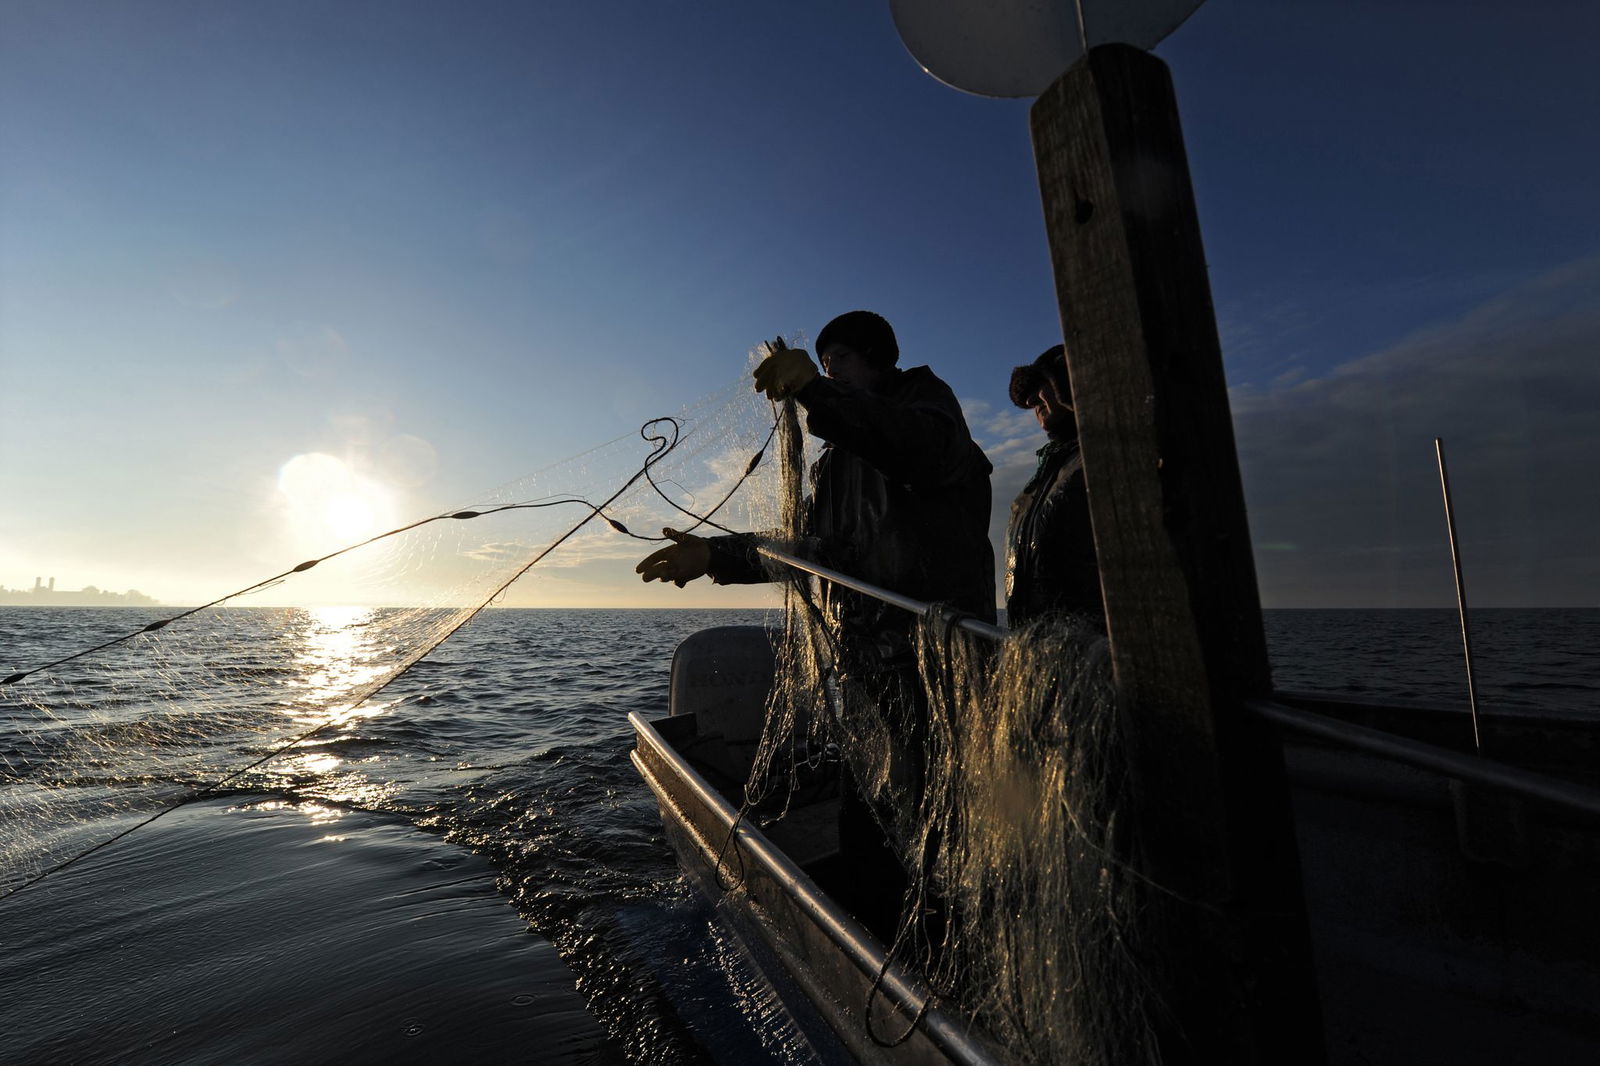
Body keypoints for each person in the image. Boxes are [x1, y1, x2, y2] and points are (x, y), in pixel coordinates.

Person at [636, 311, 995, 935]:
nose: (830, 373)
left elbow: (919, 448)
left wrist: (817, 392)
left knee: (943, 827)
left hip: (940, 671)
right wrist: (715, 555)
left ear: (879, 359)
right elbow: (815, 555)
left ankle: (946, 949)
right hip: (868, 670)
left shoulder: (929, 413)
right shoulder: (834, 465)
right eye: (823, 364)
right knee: (869, 825)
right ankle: (877, 947)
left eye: (842, 362)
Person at [1005, 344, 1104, 630]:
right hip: (1042, 648)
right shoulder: (1041, 479)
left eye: (1044, 386)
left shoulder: (1107, 457)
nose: (1034, 402)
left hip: (1096, 648)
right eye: (1029, 397)